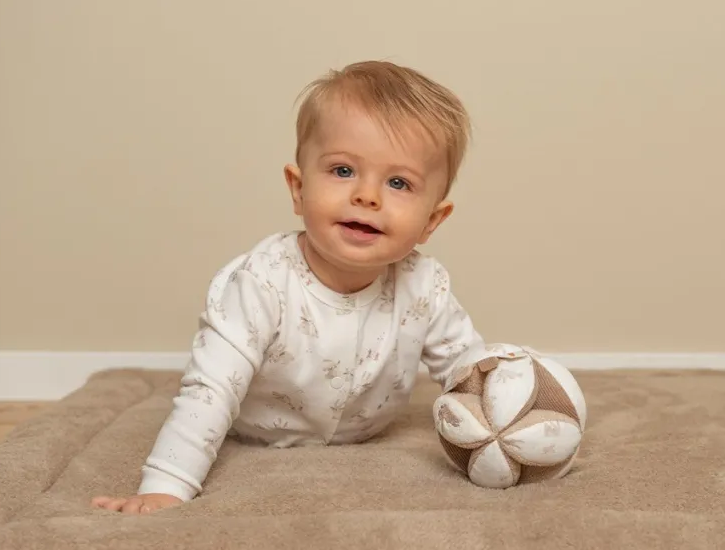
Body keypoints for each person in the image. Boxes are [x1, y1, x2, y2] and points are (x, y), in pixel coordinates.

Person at [91, 61, 487, 514]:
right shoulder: (260, 283)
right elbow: (211, 389)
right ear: (298, 189)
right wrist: (166, 485)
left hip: (366, 433)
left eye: (398, 182)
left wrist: (515, 417)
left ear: (432, 220)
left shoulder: (424, 286)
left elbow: (469, 368)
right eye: (343, 170)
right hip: (258, 433)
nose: (367, 196)